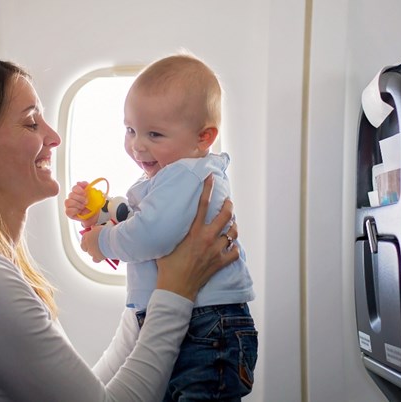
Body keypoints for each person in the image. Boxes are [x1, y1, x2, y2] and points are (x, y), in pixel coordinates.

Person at [0, 58, 241, 402]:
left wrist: (152, 299)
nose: (54, 136)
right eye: (31, 123)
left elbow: (92, 393)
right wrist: (177, 290)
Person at [65, 54, 257, 401]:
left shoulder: (184, 173)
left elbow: (152, 234)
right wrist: (99, 217)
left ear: (203, 137)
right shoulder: (171, 176)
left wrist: (102, 242)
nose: (138, 145)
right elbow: (145, 222)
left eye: (154, 134)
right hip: (200, 321)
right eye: (131, 130)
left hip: (207, 324)